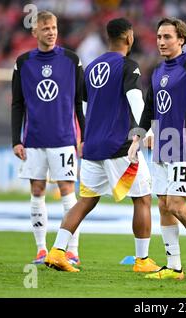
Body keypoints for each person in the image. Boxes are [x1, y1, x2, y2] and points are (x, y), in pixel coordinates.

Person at [44, 18, 160, 273]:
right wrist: (147, 132)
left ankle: (56, 252)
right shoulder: (129, 66)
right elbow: (136, 100)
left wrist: (84, 137)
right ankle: (142, 261)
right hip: (120, 145)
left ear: (109, 38)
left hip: (93, 146)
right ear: (129, 37)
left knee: (85, 200)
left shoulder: (93, 66)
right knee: (142, 198)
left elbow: (84, 106)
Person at [128, 17, 186, 280]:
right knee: (164, 207)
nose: (161, 41)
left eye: (167, 37)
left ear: (181, 39)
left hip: (184, 146)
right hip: (162, 148)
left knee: (176, 205)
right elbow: (150, 109)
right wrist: (137, 138)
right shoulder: (157, 71)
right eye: (158, 37)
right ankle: (174, 267)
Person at [11, 11, 84, 266]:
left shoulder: (71, 60)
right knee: (37, 190)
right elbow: (17, 104)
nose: (51, 32)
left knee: (67, 192)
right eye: (45, 29)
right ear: (35, 32)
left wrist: (82, 136)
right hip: (34, 140)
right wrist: (16, 140)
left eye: (53, 28)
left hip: (64, 139)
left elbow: (78, 102)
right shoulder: (23, 63)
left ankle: (70, 251)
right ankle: (42, 250)